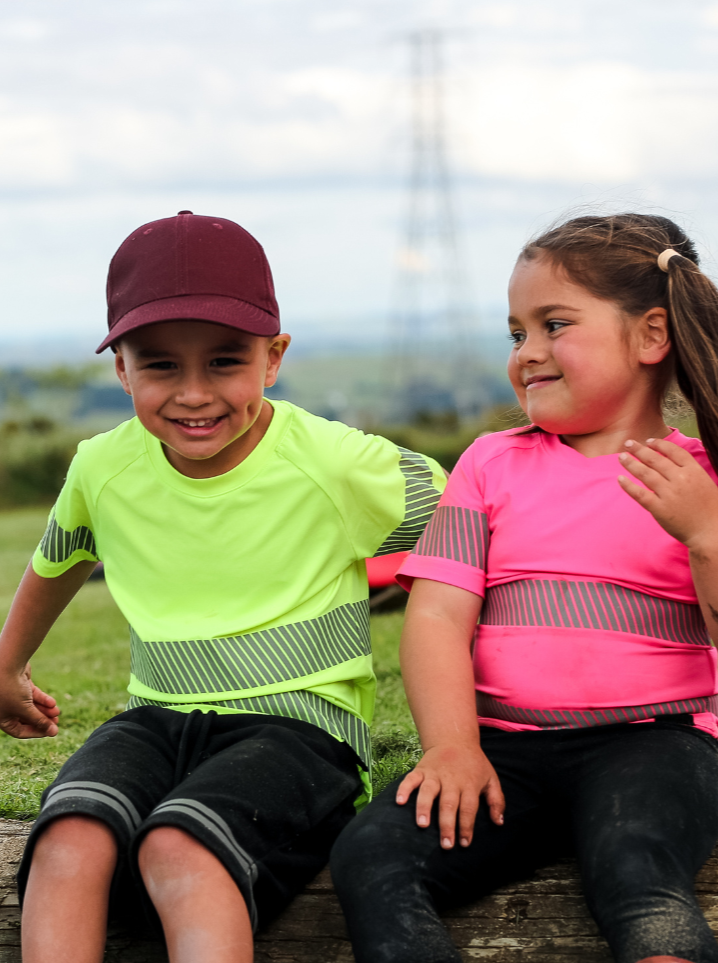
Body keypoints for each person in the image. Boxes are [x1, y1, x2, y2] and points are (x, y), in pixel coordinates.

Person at [330, 213, 718, 963]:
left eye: (553, 324)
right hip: (500, 755)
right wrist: (451, 748)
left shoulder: (702, 480)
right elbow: (437, 617)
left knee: (636, 873)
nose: (528, 353)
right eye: (516, 333)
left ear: (650, 336)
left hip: (652, 747)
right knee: (370, 858)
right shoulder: (489, 465)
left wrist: (707, 534)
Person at [0, 210, 446, 963]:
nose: (194, 394)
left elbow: (472, 525)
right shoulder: (100, 468)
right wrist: (6, 667)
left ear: (273, 358)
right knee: (69, 834)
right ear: (122, 370)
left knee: (179, 846)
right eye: (161, 365)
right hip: (154, 721)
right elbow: (60, 561)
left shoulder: (336, 464)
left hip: (305, 733)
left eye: (225, 361)